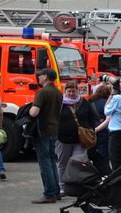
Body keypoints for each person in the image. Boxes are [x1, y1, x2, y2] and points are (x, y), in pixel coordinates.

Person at [55, 80, 99, 193]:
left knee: (78, 162)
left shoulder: (84, 102)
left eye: (73, 91)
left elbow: (92, 118)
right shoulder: (60, 104)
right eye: (69, 91)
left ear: (77, 91)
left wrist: (91, 130)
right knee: (63, 163)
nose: (71, 94)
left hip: (80, 140)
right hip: (63, 138)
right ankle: (62, 186)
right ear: (65, 91)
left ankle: (76, 186)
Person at [29, 68, 63, 204]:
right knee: (52, 161)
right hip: (55, 129)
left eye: (41, 75)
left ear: (46, 77)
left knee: (44, 163)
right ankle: (56, 192)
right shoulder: (58, 92)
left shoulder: (42, 93)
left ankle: (49, 194)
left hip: (42, 130)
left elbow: (34, 112)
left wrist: (29, 109)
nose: (38, 77)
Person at [88, 83, 113, 165]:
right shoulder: (108, 103)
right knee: (103, 153)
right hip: (104, 130)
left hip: (91, 130)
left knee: (91, 152)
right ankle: (104, 172)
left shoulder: (91, 102)